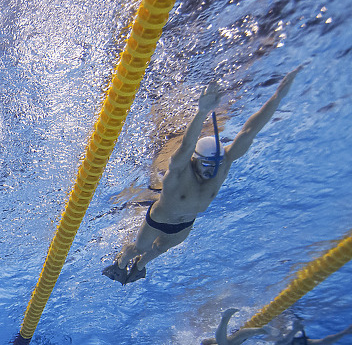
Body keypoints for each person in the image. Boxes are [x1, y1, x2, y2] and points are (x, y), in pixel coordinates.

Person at [103, 67, 302, 284]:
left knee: (159, 249)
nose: (211, 170)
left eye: (215, 164)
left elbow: (249, 132)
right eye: (206, 164)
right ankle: (121, 263)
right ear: (195, 159)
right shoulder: (179, 170)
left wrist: (277, 97)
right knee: (138, 248)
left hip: (185, 225)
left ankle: (140, 266)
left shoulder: (224, 164)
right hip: (157, 220)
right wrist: (202, 111)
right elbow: (187, 144)